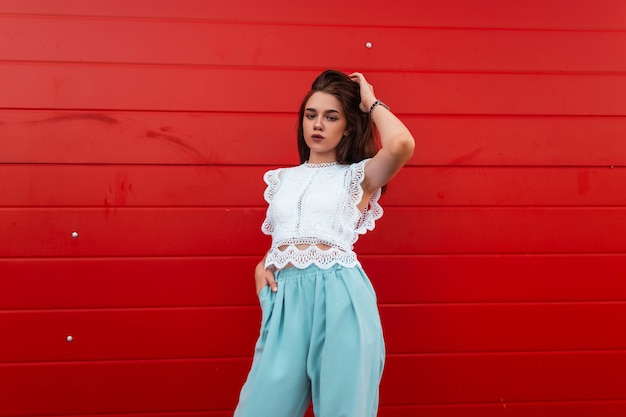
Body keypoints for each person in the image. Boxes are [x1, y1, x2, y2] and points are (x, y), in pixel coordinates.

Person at [234, 70, 415, 417]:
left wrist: (370, 102)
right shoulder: (283, 179)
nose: (318, 124)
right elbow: (289, 233)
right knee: (259, 408)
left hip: (340, 294)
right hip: (285, 302)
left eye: (331, 117)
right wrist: (264, 264)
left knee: (344, 410)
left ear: (347, 127)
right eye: (311, 115)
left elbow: (401, 144)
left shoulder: (357, 177)